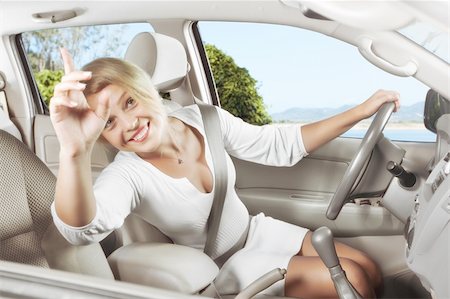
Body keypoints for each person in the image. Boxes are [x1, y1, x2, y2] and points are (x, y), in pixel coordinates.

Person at [50, 48, 399, 299]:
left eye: (129, 102)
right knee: (350, 279)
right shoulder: (126, 175)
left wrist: (360, 112)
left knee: (369, 269)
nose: (129, 124)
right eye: (108, 122)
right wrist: (75, 150)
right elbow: (81, 230)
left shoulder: (203, 118)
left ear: (145, 92)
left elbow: (277, 144)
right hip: (222, 267)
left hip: (257, 231)